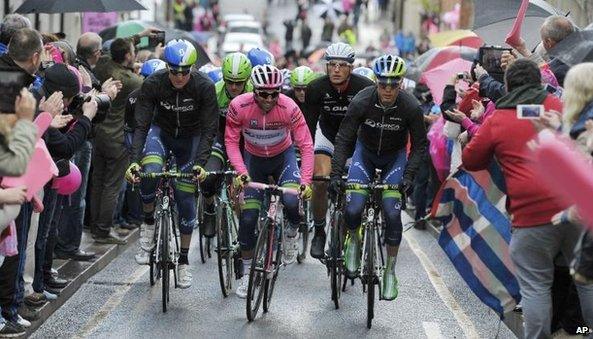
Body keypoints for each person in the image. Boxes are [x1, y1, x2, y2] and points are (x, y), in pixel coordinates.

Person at [461, 59, 593, 339]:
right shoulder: (559, 107)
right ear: (539, 82)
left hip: (531, 215)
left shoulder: (498, 119)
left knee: (536, 286)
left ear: (507, 85)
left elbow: (471, 159)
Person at [329, 55, 427, 300]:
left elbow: (419, 146)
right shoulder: (362, 101)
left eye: (394, 84)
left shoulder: (410, 107)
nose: (388, 89)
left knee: (393, 214)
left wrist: (409, 176)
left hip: (394, 158)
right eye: (383, 84)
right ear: (376, 82)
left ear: (401, 83)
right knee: (353, 209)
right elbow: (344, 139)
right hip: (365, 155)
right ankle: (353, 240)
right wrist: (336, 173)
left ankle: (390, 271)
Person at [126, 39, 218, 289]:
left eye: (184, 71)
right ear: (166, 67)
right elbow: (141, 125)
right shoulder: (154, 83)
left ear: (192, 68)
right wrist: (134, 162)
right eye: (173, 70)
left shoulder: (204, 86)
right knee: (150, 172)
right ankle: (147, 224)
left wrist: (201, 163)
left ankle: (185, 261)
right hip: (161, 133)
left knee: (186, 200)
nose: (179, 76)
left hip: (190, 139)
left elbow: (210, 129)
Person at [224, 64, 314, 298]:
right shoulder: (239, 106)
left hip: (282, 159)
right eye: (264, 93)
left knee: (293, 201)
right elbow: (232, 142)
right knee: (248, 218)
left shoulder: (289, 106)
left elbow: (305, 145)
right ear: (254, 91)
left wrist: (306, 181)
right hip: (253, 161)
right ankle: (245, 275)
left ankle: (292, 230)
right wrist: (241, 171)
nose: (270, 99)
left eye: (275, 93)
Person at [304, 42, 374, 259]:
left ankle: (350, 235)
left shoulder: (365, 87)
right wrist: (304, 157)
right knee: (320, 180)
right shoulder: (316, 88)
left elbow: (370, 123)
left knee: (352, 189)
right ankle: (319, 230)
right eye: (331, 64)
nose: (335, 69)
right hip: (327, 137)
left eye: (341, 65)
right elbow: (307, 126)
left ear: (351, 68)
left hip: (355, 142)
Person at [91, 37, 143, 244]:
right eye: (133, 52)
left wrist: (137, 38)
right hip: (117, 137)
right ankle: (104, 230)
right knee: (112, 186)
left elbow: (113, 47)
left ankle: (96, 226)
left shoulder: (103, 64)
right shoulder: (133, 81)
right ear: (128, 56)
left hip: (99, 134)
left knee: (97, 183)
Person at [199, 52, 253, 241]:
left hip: (247, 140)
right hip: (220, 137)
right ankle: (209, 209)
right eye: (230, 81)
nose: (234, 87)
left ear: (247, 80)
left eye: (239, 82)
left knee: (249, 184)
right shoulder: (215, 91)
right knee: (207, 179)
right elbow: (207, 126)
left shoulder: (255, 92)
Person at [510, 15, 574, 86]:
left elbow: (530, 87)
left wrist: (513, 68)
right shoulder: (582, 54)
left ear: (548, 42)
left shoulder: (556, 70)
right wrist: (523, 49)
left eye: (542, 40)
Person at [286, 65, 318, 138]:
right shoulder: (287, 98)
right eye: (298, 89)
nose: (302, 93)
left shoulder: (318, 97)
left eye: (305, 89)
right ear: (293, 88)